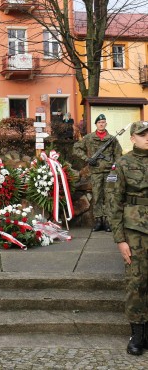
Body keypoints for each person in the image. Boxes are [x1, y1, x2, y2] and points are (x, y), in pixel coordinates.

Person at [106, 121, 148, 356]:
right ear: (132, 138)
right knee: (136, 283)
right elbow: (114, 203)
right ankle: (137, 335)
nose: (147, 138)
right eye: (142, 134)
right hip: (135, 232)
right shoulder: (122, 164)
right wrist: (120, 239)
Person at [73, 114, 123, 232]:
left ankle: (107, 221)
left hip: (110, 173)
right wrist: (87, 158)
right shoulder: (89, 138)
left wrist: (115, 167)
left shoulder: (112, 139)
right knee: (97, 196)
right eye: (99, 122)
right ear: (96, 124)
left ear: (106, 124)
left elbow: (118, 154)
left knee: (109, 196)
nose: (101, 124)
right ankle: (98, 220)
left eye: (103, 122)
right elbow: (76, 148)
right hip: (96, 172)